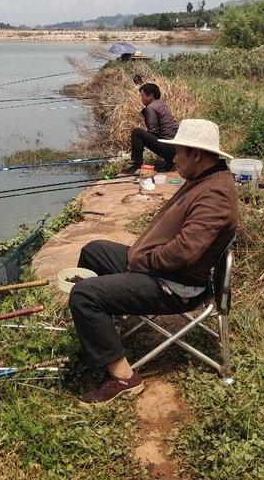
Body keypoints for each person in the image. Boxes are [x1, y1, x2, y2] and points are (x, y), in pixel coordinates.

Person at [69, 119, 238, 404]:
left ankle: (124, 378)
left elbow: (185, 252)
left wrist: (143, 261)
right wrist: (141, 257)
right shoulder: (203, 178)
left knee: (83, 295)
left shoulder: (216, 195)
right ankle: (107, 330)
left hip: (175, 286)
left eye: (179, 152)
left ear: (197, 154)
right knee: (93, 251)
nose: (173, 158)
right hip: (156, 267)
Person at [121, 83, 179, 175]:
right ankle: (169, 163)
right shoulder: (162, 105)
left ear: (150, 96)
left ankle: (137, 165)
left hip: (170, 150)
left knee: (137, 133)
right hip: (176, 149)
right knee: (144, 134)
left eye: (142, 96)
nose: (141, 98)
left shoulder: (151, 108)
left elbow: (153, 131)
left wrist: (140, 143)